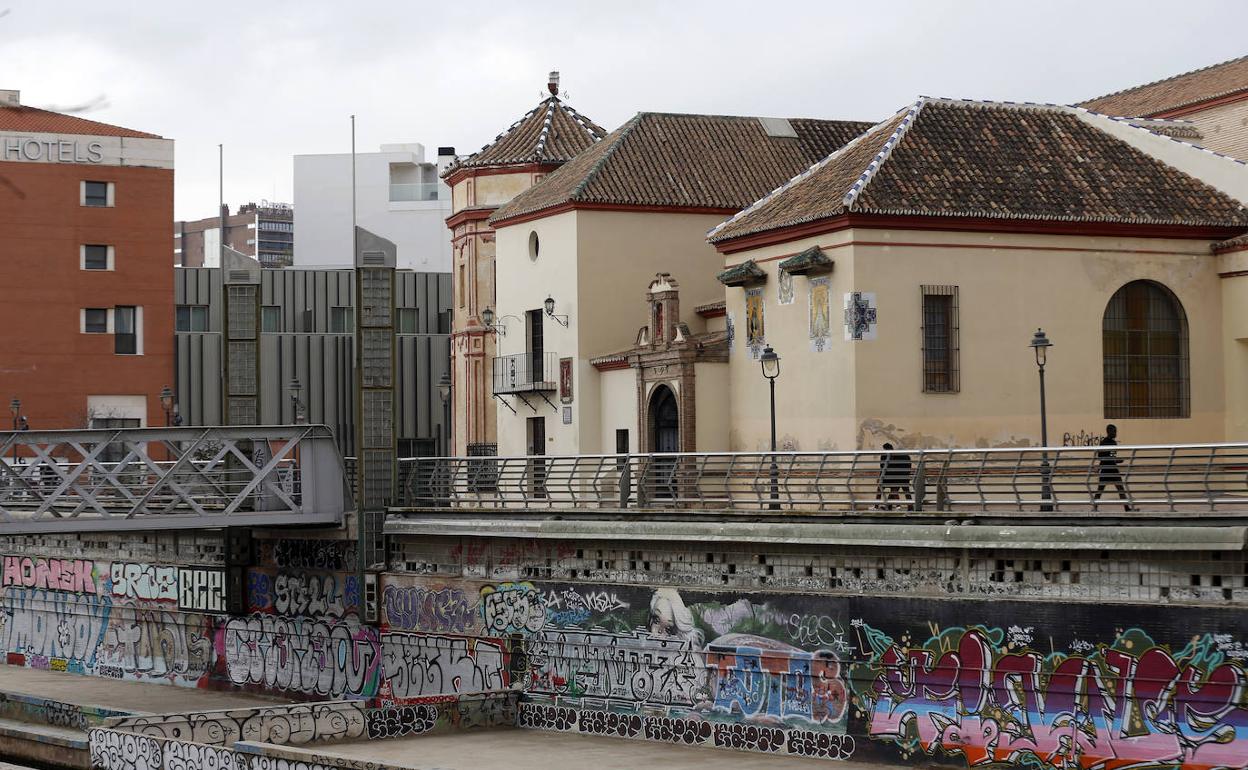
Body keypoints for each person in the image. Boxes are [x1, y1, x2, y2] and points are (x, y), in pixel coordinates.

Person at [1092, 424, 1135, 512]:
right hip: (1109, 469)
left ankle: (1126, 508)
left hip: (1109, 468)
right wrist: (1117, 461)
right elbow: (1105, 457)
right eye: (1114, 431)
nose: (1116, 433)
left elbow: (1107, 457)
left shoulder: (1109, 442)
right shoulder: (1106, 443)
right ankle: (1095, 507)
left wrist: (1115, 461)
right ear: (1109, 431)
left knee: (1116, 488)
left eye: (1116, 431)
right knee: (1104, 489)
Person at [878, 442, 913, 511]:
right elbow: (909, 466)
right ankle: (910, 506)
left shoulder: (891, 456)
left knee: (894, 490)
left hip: (897, 476)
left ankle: (892, 506)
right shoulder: (906, 456)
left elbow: (886, 467)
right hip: (905, 476)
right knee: (905, 491)